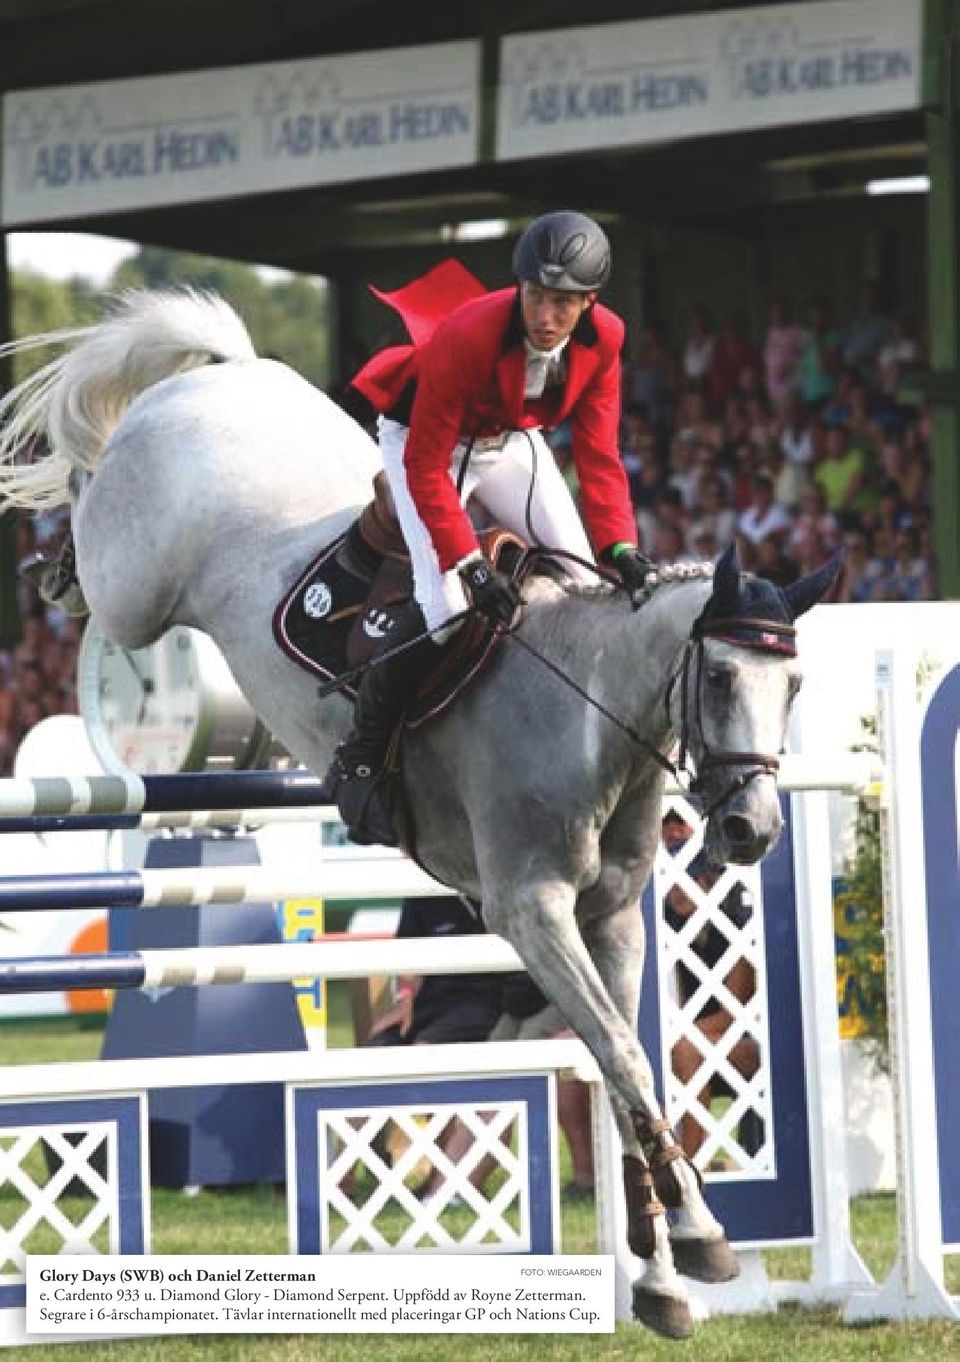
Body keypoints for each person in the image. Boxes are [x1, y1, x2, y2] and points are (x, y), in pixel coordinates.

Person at [325, 211, 651, 817]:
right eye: (536, 298)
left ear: (590, 303)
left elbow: (599, 453)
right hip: (423, 442)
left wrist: (620, 549)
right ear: (520, 287)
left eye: (562, 303)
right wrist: (470, 565)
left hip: (508, 438)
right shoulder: (470, 332)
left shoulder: (606, 337)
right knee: (448, 604)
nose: (546, 318)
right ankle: (366, 747)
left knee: (586, 581)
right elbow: (425, 466)